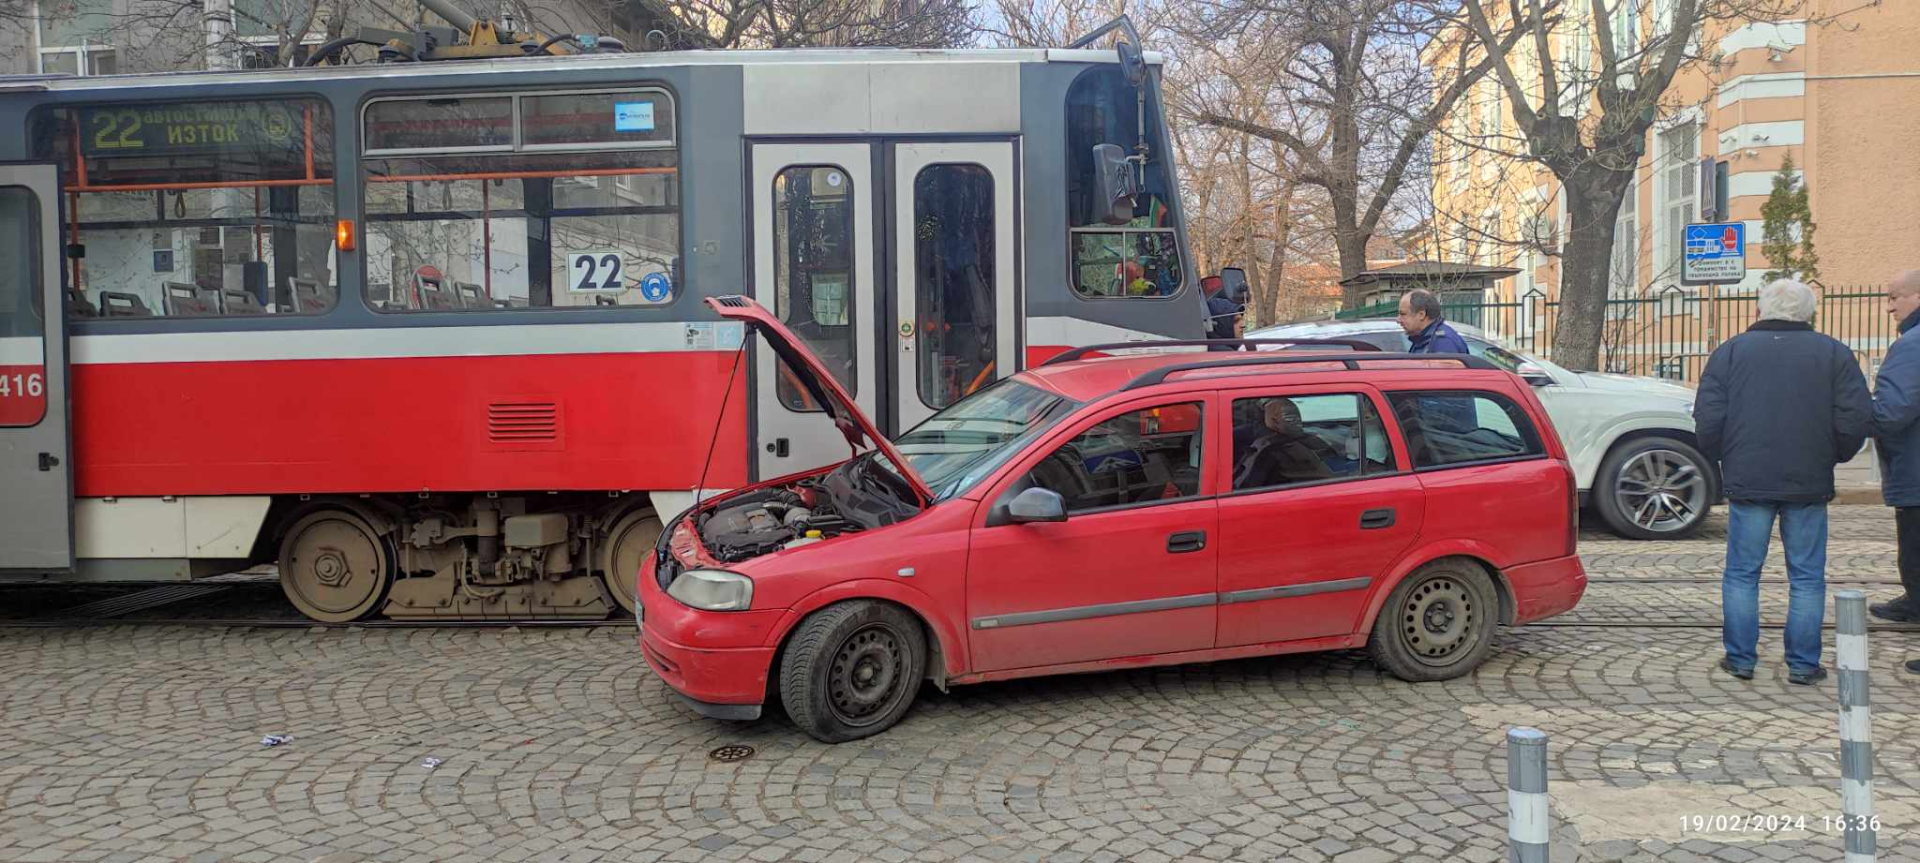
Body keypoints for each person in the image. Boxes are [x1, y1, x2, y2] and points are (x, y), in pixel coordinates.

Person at [1693, 278, 1871, 685]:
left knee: (1742, 573)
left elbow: (1708, 418)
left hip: (1748, 476)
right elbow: (1854, 418)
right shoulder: (1833, 353)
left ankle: (1740, 659)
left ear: (1760, 309)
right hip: (1808, 478)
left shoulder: (1731, 352)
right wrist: (1833, 454)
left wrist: (1722, 455)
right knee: (1807, 576)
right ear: (1809, 314)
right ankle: (1803, 664)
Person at [1868, 272, 1920, 649]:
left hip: (1916, 468)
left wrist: (1863, 415)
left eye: (1895, 297)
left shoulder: (1911, 346)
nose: (1889, 306)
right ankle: (1913, 601)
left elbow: (1892, 411)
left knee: (1916, 546)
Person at [1232, 397, 1338, 490]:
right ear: (1274, 420)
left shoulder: (1306, 441)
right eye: (1289, 417)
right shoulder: (1272, 451)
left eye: (1297, 416)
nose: (1296, 421)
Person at [1398, 289, 1469, 354]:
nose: (1398, 320)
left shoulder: (1443, 343)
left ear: (1421, 314)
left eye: (1403, 314)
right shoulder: (1423, 339)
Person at [1203, 274, 1243, 350]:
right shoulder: (1226, 355)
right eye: (1235, 321)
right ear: (1219, 324)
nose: (1243, 325)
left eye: (1241, 319)